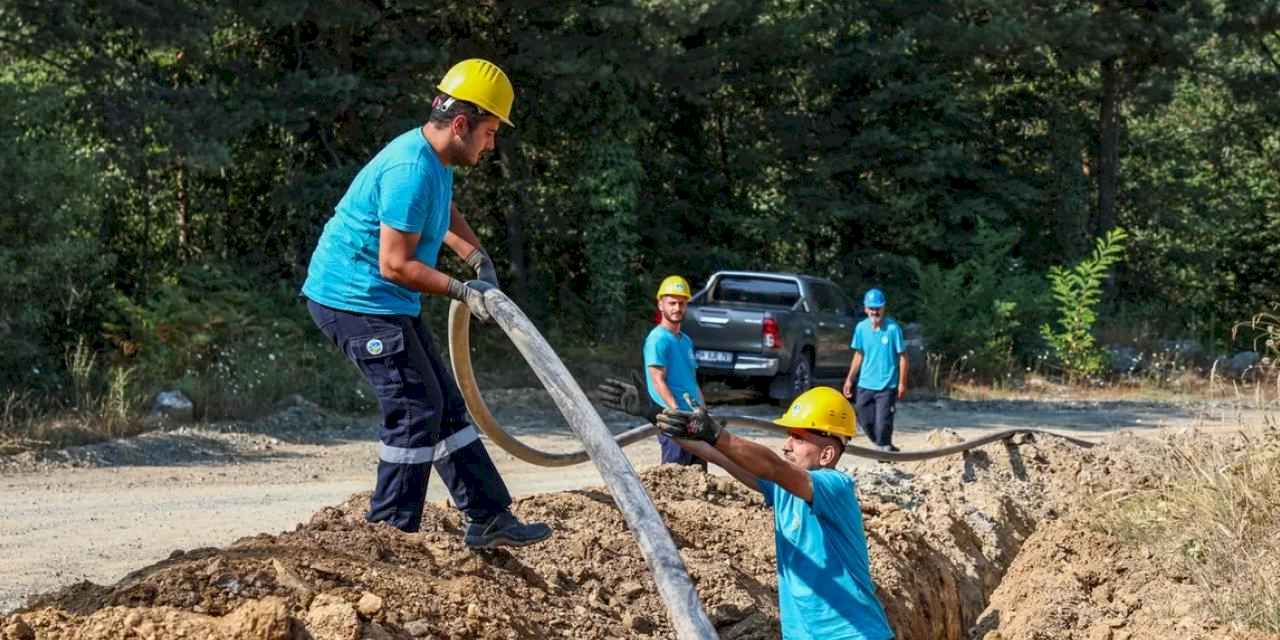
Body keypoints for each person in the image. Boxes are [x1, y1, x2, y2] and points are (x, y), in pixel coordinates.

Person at [301, 59, 551, 548]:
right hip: (353, 302)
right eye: (489, 132)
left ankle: (488, 517)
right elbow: (395, 264)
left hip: (387, 301)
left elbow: (444, 210)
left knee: (445, 404)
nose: (491, 144)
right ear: (460, 124)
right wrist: (462, 290)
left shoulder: (435, 162)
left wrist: (476, 257)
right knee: (415, 408)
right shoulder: (410, 170)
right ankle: (388, 536)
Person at [657, 387, 894, 640]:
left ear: (827, 454)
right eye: (789, 435)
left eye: (798, 438)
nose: (786, 445)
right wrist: (655, 415)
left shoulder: (836, 487)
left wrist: (716, 434)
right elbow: (717, 455)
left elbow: (773, 466)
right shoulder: (782, 488)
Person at [643, 275, 707, 469]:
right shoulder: (657, 339)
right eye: (672, 303)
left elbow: (691, 380)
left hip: (694, 420)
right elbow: (658, 380)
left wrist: (704, 412)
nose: (677, 308)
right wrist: (676, 412)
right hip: (674, 421)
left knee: (700, 475)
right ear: (660, 305)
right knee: (675, 474)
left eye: (681, 303)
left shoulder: (686, 340)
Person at [842, 288, 907, 453]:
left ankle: (884, 450)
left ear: (883, 308)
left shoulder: (893, 329)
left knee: (883, 422)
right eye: (871, 308)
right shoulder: (861, 328)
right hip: (865, 383)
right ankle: (884, 446)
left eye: (878, 308)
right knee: (864, 420)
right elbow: (858, 354)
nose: (874, 312)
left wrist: (901, 383)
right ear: (865, 309)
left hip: (887, 385)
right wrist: (849, 379)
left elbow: (903, 357)